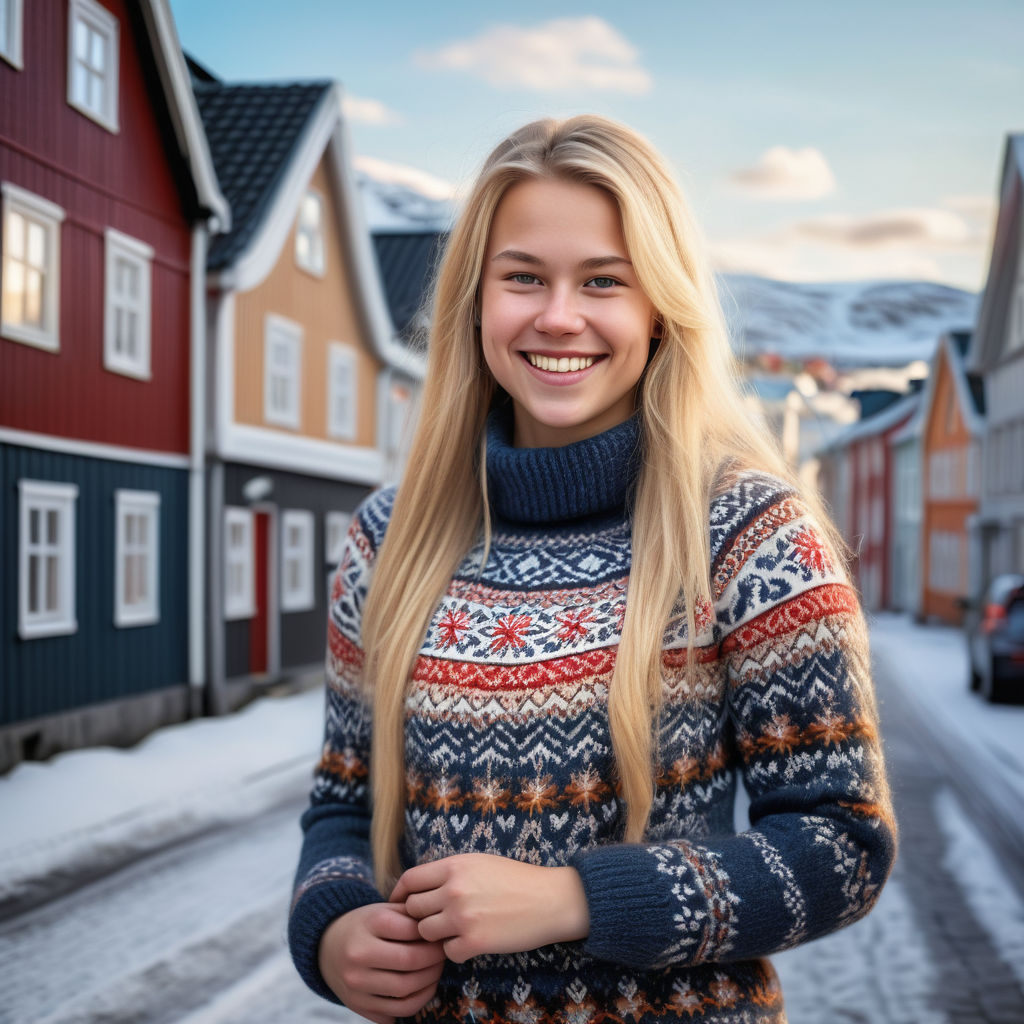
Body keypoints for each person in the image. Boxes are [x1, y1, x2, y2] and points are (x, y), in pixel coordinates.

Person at [288, 115, 897, 1024]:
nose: (558, 315)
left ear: (659, 309)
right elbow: (343, 800)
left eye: (604, 281)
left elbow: (842, 846)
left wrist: (573, 898)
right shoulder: (393, 535)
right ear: (475, 300)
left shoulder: (751, 532)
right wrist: (333, 928)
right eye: (523, 276)